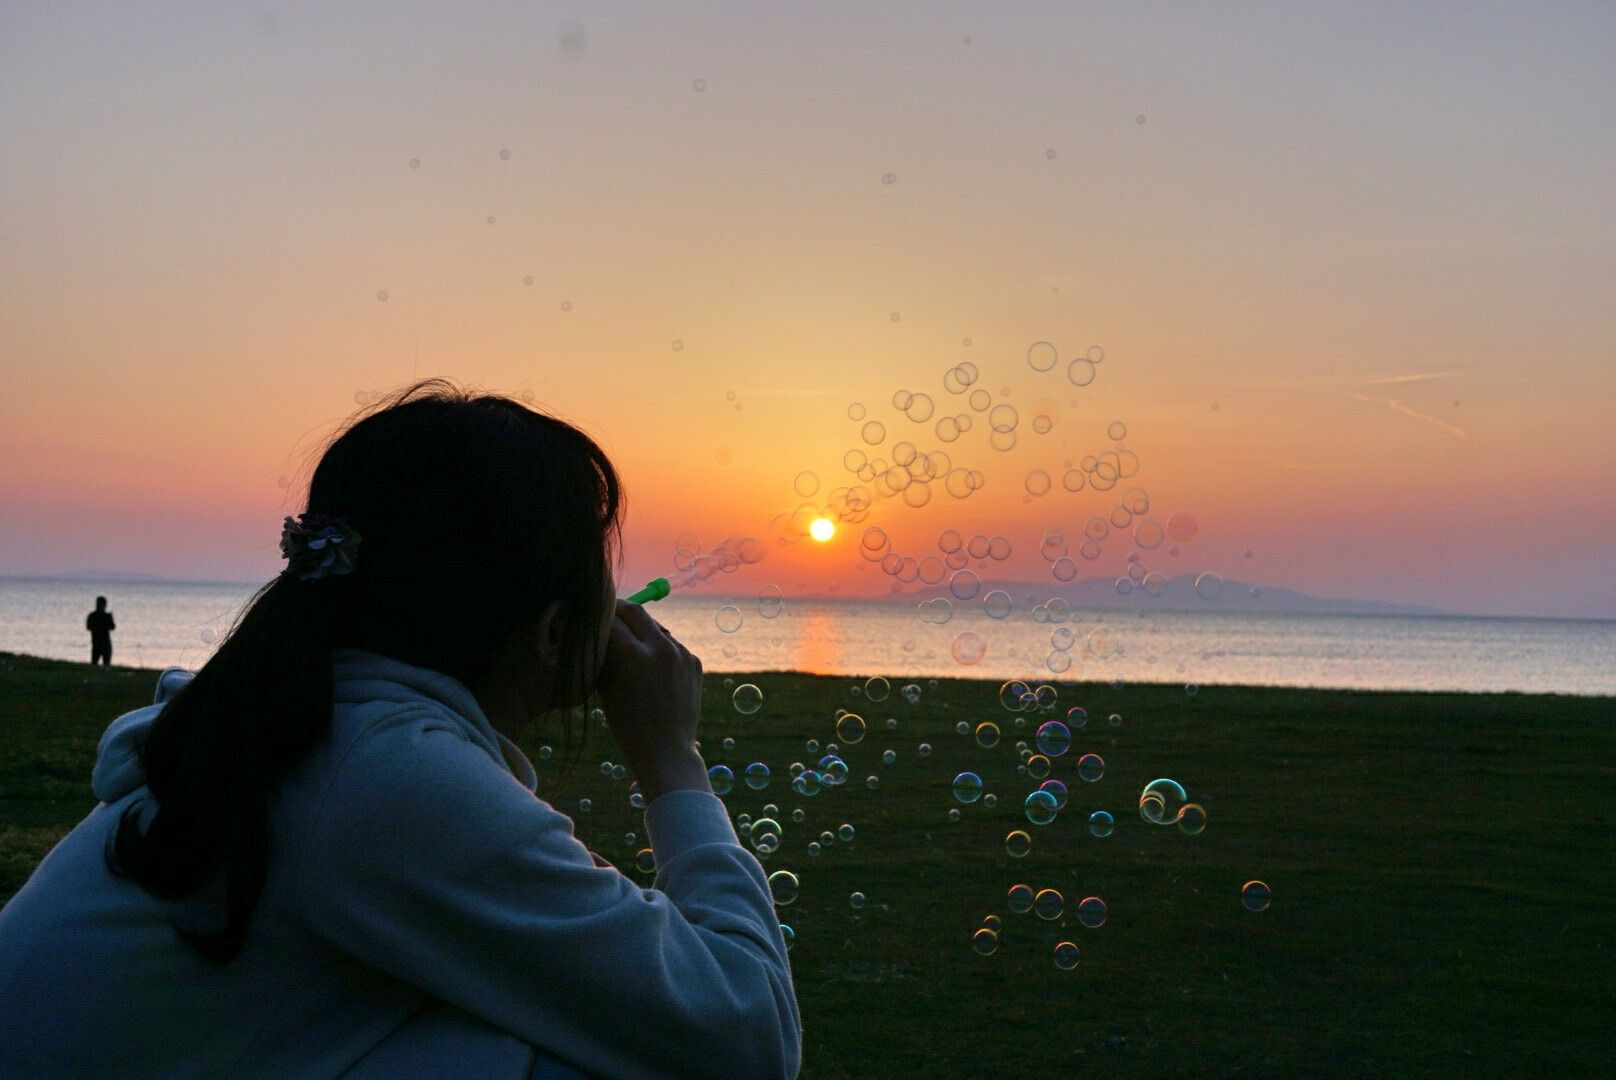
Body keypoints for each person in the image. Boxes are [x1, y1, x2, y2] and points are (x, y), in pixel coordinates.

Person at [0, 379, 801, 1078]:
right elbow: (744, 1034)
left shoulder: (306, 723)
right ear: (554, 633)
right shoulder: (381, 773)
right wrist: (671, 758)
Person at [86, 595, 115, 666]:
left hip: (101, 643)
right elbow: (112, 627)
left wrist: (109, 619)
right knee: (97, 664)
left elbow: (112, 627)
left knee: (100, 664)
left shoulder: (92, 615)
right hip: (100, 643)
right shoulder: (94, 616)